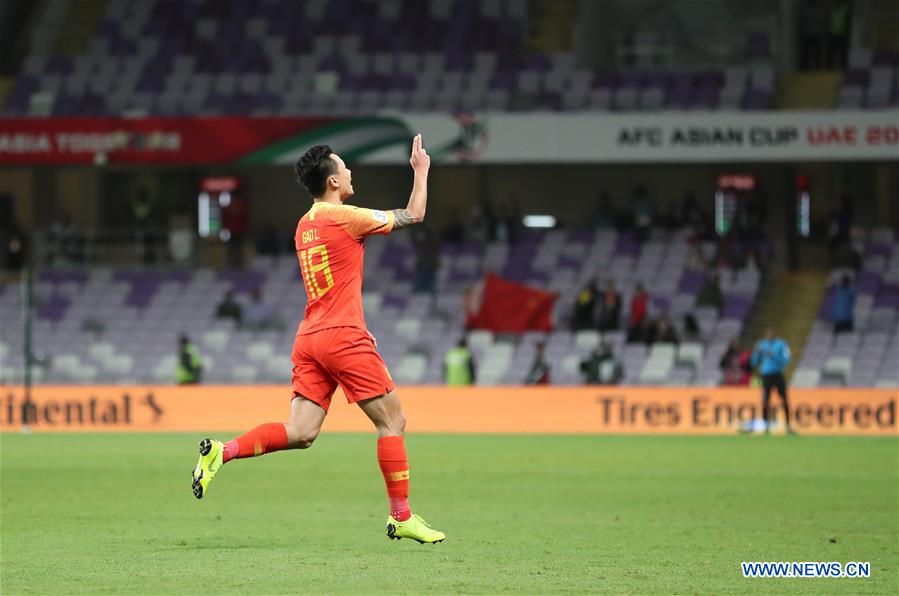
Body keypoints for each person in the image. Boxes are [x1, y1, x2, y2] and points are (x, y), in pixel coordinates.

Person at [190, 136, 445, 543]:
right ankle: (401, 516)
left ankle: (223, 451)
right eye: (344, 168)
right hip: (342, 336)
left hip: (310, 336)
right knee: (392, 421)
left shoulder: (304, 225)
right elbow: (413, 215)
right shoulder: (344, 216)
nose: (349, 172)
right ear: (332, 183)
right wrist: (421, 171)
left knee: (301, 431)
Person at [751, 329, 795, 434]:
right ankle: (766, 426)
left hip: (778, 374)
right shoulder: (761, 345)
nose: (769, 335)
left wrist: (774, 355)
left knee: (784, 399)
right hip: (766, 375)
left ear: (774, 334)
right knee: (766, 400)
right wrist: (756, 353)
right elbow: (754, 362)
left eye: (771, 333)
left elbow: (787, 359)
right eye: (767, 334)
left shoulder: (782, 344)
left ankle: (788, 426)